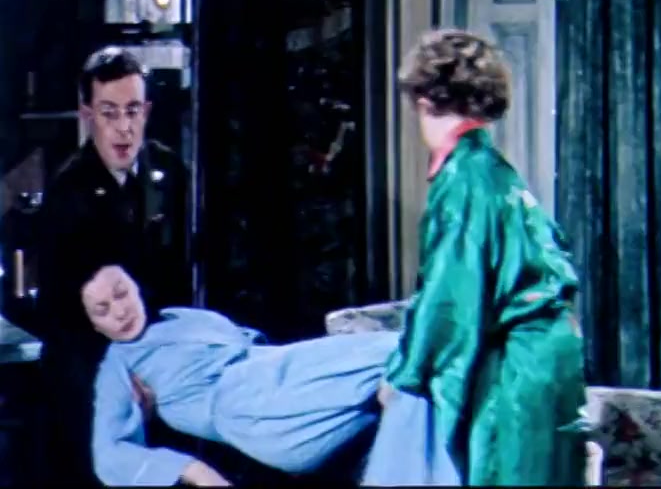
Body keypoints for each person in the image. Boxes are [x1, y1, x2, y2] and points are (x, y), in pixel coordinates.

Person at [377, 29, 587, 486]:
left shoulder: (464, 180)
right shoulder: (495, 171)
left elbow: (451, 296)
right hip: (552, 357)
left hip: (518, 364)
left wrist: (404, 375)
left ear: (424, 102)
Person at [82, 265, 436, 486]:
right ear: (94, 326)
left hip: (277, 387)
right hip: (248, 409)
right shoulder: (117, 367)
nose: (120, 311)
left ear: (136, 286)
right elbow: (108, 454)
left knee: (403, 376)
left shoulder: (178, 317)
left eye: (121, 294)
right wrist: (197, 473)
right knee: (401, 349)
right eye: (103, 310)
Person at [30, 46, 193, 486]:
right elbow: (62, 316)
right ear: (88, 116)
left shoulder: (171, 172)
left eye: (133, 111)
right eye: (109, 113)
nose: (124, 127)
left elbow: (179, 278)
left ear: (147, 111)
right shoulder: (68, 192)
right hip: (93, 375)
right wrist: (123, 380)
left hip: (165, 364)